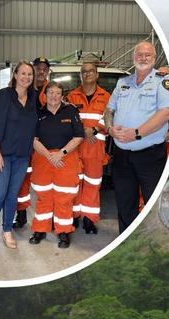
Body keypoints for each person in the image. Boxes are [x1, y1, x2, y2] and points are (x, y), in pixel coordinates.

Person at [105, 41, 169, 233]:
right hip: (121, 155)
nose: (143, 58)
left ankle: (153, 245)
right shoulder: (123, 83)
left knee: (153, 205)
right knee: (124, 203)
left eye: (148, 55)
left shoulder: (163, 81)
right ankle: (126, 241)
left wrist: (136, 134)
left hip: (149, 156)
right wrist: (110, 129)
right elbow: (109, 110)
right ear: (133, 57)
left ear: (154, 58)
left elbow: (166, 113)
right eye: (139, 54)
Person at [0, 60, 37, 249]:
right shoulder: (4, 96)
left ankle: (6, 230)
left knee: (12, 194)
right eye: (23, 73)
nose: (26, 77)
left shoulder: (33, 98)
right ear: (15, 75)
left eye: (30, 74)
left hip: (21, 155)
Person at [29, 81, 84, 249]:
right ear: (45, 95)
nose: (53, 96)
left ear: (62, 96)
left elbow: (79, 136)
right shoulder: (37, 114)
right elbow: (33, 139)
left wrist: (60, 154)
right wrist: (49, 155)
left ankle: (64, 232)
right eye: (50, 92)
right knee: (43, 197)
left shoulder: (71, 111)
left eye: (57, 93)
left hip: (65, 159)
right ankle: (40, 230)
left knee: (64, 198)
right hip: (43, 159)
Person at [66, 61, 110, 234]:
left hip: (95, 148)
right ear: (80, 75)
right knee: (75, 183)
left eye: (91, 71)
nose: (87, 74)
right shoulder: (72, 96)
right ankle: (75, 215)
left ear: (97, 75)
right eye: (84, 72)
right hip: (75, 148)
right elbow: (67, 120)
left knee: (92, 184)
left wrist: (95, 129)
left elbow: (110, 119)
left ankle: (89, 219)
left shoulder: (106, 97)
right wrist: (83, 130)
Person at [13, 56, 50, 229]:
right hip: (26, 144)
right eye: (38, 68)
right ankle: (21, 215)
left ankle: (47, 218)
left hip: (46, 144)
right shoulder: (26, 92)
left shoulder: (53, 89)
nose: (41, 71)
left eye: (44, 68)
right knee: (22, 179)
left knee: (45, 182)